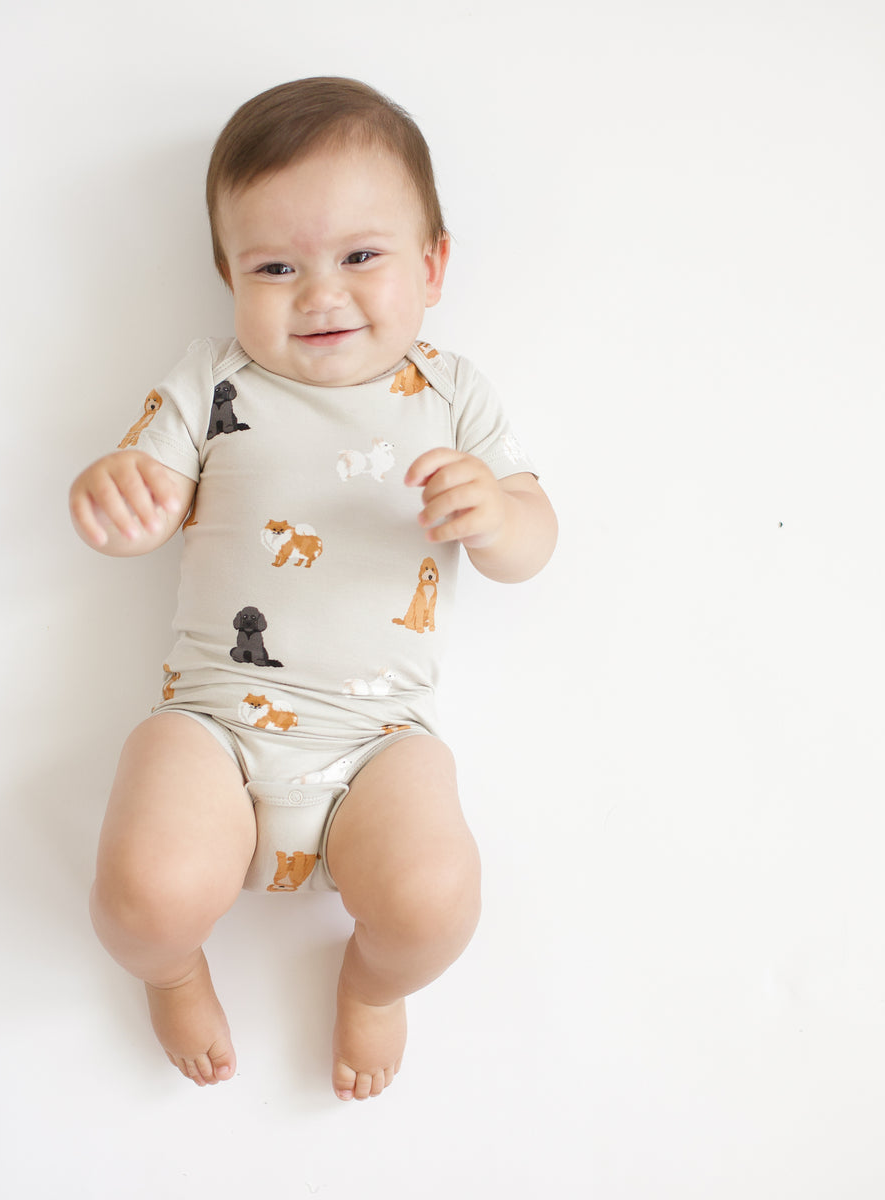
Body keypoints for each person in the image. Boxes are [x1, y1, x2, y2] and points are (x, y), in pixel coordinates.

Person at [69, 77, 558, 1102]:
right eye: (277, 266)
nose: (321, 293)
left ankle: (374, 987)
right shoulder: (211, 379)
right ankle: (170, 966)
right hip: (214, 724)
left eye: (361, 257)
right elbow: (144, 499)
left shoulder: (452, 391)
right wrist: (117, 497)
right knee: (139, 895)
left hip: (379, 745)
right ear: (227, 274)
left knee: (436, 905)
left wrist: (502, 517)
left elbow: (532, 543)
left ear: (433, 264)